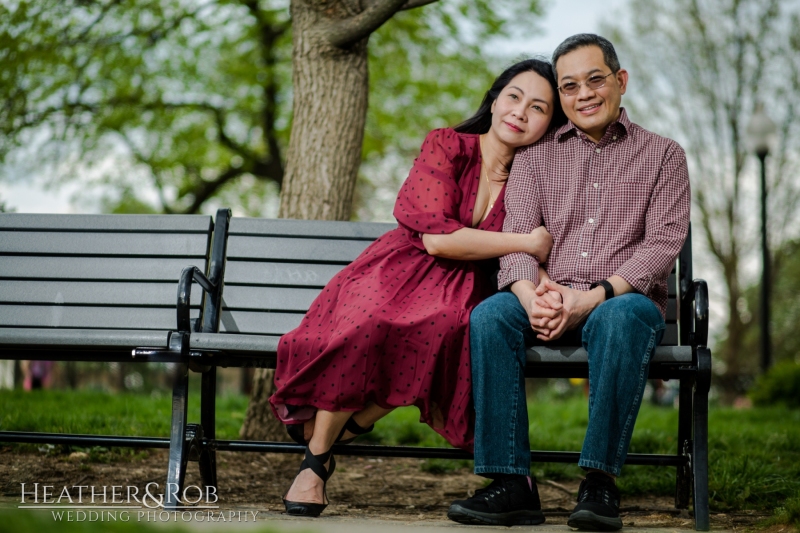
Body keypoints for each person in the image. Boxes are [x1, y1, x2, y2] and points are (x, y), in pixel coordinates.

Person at [270, 58, 567, 517]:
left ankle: (326, 442)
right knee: (368, 325)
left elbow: (535, 254)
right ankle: (315, 463)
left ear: (551, 123)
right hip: (402, 268)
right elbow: (436, 237)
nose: (521, 112)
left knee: (446, 327)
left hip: (466, 285)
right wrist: (527, 240)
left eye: (539, 107)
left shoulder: (536, 179)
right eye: (514, 96)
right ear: (493, 99)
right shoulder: (447, 144)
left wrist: (542, 275)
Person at [447, 34, 690, 530]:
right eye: (569, 86)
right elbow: (517, 238)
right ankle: (512, 484)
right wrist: (529, 295)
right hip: (546, 294)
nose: (584, 95)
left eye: (594, 80)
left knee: (622, 317)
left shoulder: (664, 156)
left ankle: (599, 482)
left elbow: (663, 243)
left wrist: (593, 296)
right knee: (490, 315)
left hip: (622, 301)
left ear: (620, 82)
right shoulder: (536, 158)